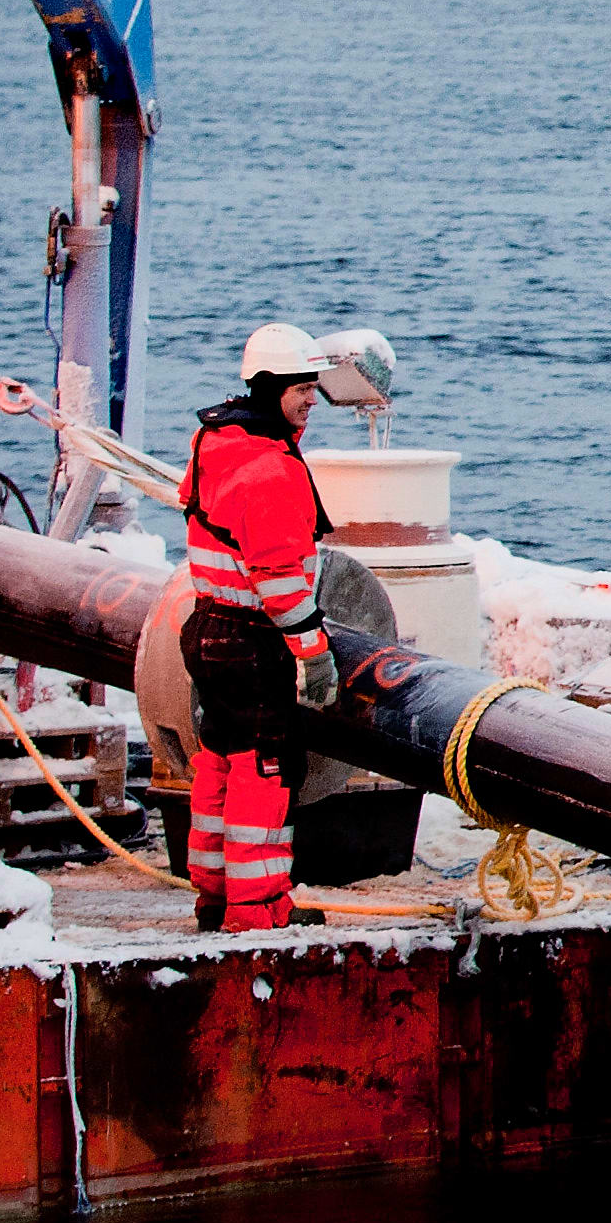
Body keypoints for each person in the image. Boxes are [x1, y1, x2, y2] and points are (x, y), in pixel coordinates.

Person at [179, 326, 344, 933]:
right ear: (272, 387)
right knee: (264, 770)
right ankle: (259, 911)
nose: (311, 401)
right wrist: (315, 651)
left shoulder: (216, 440)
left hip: (208, 629)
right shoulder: (269, 470)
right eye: (302, 388)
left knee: (220, 762)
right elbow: (277, 579)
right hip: (251, 641)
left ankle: (215, 897)